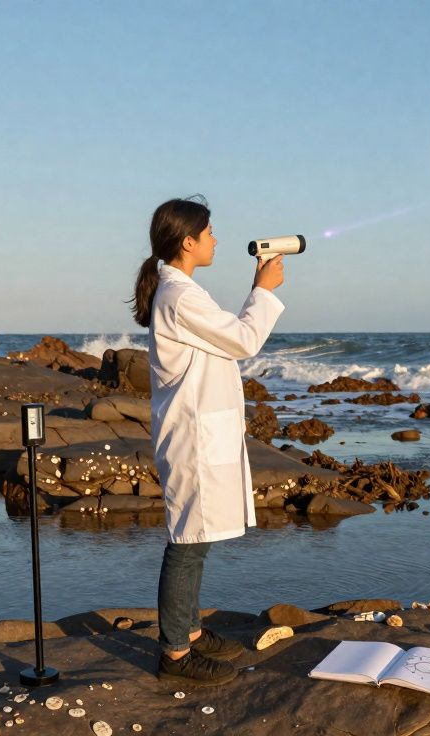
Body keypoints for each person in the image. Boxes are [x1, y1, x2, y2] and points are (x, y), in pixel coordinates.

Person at [128, 195, 286, 686]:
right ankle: (175, 654)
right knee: (187, 540)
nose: (216, 239)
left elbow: (226, 339)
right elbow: (242, 340)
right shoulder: (180, 295)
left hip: (200, 429)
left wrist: (258, 290)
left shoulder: (182, 291)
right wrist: (263, 290)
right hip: (192, 433)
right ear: (188, 241)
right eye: (210, 232)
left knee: (198, 535)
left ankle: (190, 632)